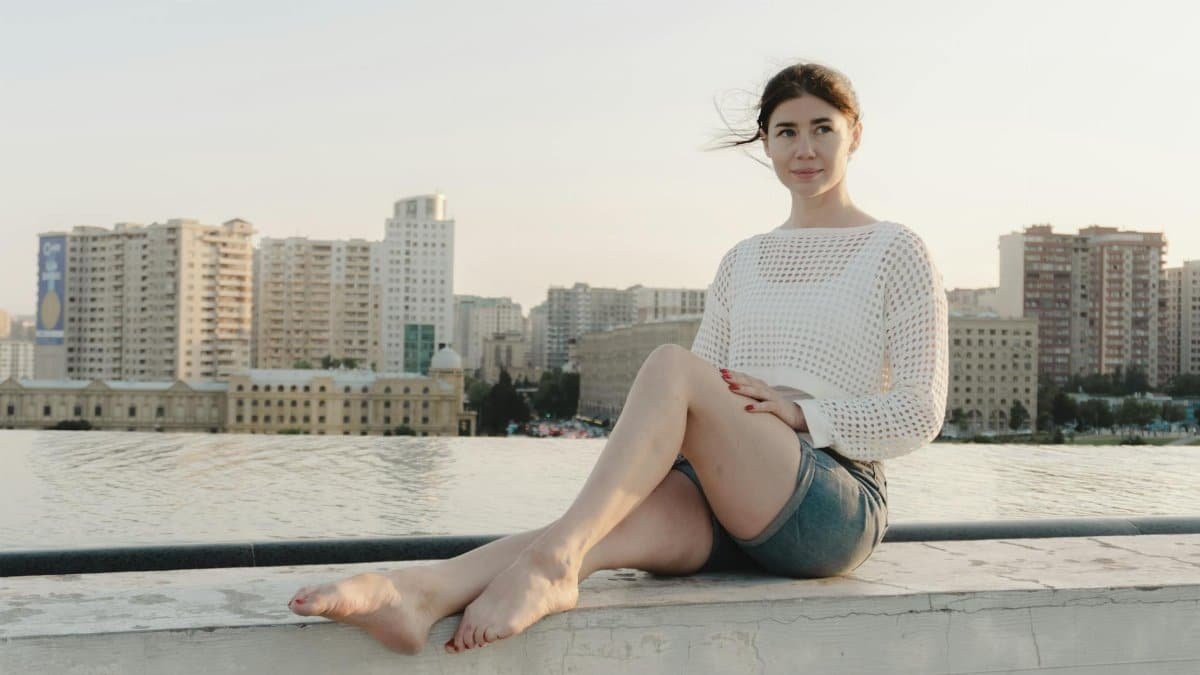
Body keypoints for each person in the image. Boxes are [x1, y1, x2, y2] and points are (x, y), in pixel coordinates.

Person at [287, 61, 949, 655]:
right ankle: (417, 592)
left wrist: (803, 414)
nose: (804, 148)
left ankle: (546, 569)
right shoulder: (742, 260)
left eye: (821, 128)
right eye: (785, 132)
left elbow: (921, 412)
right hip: (727, 502)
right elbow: (697, 409)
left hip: (830, 503)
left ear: (854, 134)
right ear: (765, 144)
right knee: (585, 532)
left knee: (667, 365)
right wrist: (655, 489)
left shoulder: (895, 249)